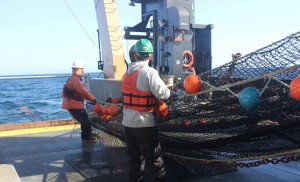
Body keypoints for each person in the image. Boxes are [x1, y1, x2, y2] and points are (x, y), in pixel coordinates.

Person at [121, 39, 177, 182]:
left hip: (128, 124)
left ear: (135, 55)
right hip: (144, 124)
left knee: (134, 158)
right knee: (154, 159)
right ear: (150, 55)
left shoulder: (126, 74)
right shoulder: (149, 72)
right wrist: (175, 94)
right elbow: (162, 94)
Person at [62, 61, 99, 143]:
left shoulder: (72, 79)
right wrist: (94, 99)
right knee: (85, 121)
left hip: (71, 104)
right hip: (73, 105)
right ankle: (86, 138)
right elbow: (83, 92)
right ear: (77, 70)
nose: (82, 72)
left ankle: (87, 135)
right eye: (82, 70)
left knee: (84, 120)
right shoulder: (75, 80)